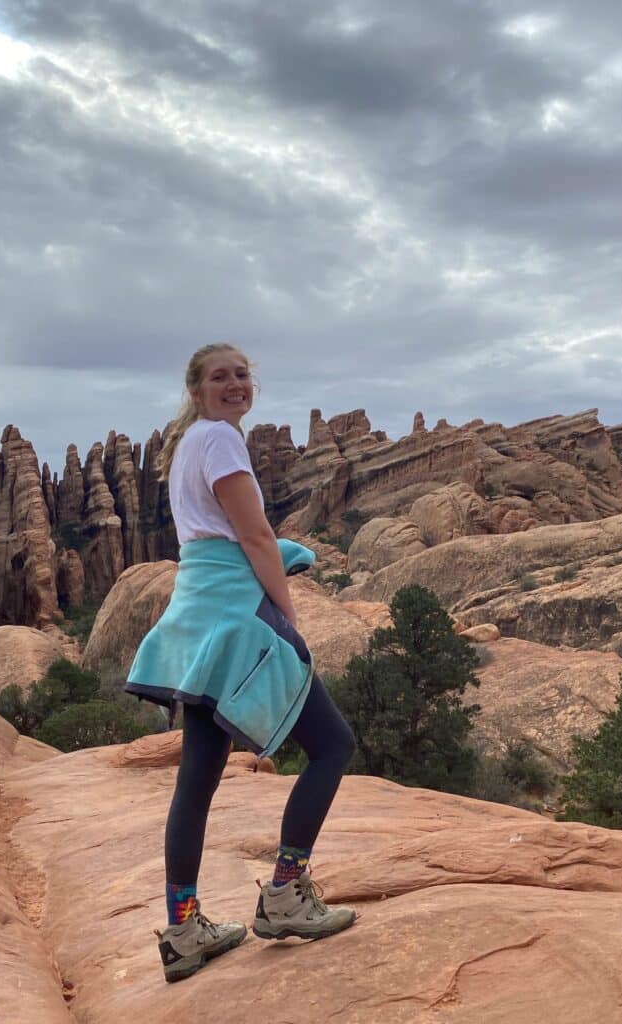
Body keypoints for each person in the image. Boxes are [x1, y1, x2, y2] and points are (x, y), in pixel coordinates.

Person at [124, 343, 358, 983]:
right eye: (219, 377)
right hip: (234, 616)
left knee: (197, 778)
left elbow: (217, 535)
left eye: (241, 374)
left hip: (197, 612)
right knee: (333, 745)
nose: (234, 384)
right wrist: (287, 618)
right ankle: (285, 894)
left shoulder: (189, 443)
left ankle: (183, 930)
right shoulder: (222, 441)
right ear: (196, 390)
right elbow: (253, 538)